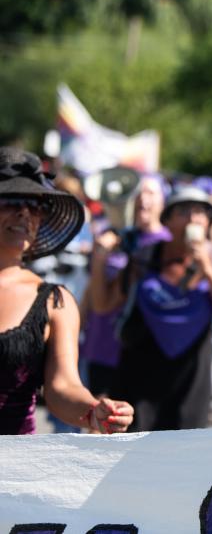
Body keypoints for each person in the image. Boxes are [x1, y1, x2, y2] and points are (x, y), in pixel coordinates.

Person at [0, 146, 133, 434]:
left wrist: (93, 411)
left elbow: (62, 386)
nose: (25, 213)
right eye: (11, 200)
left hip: (12, 469)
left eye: (36, 205)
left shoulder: (54, 301)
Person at [92, 185, 212, 431]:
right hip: (139, 376)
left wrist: (207, 268)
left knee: (183, 461)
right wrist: (99, 259)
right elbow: (103, 305)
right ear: (167, 221)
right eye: (184, 211)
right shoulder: (146, 256)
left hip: (190, 380)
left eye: (201, 212)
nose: (194, 218)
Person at [84, 173, 171, 396]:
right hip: (100, 346)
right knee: (98, 426)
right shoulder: (115, 237)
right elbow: (93, 298)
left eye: (150, 192)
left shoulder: (168, 244)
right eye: (138, 192)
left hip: (139, 352)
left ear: (163, 201)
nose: (143, 198)